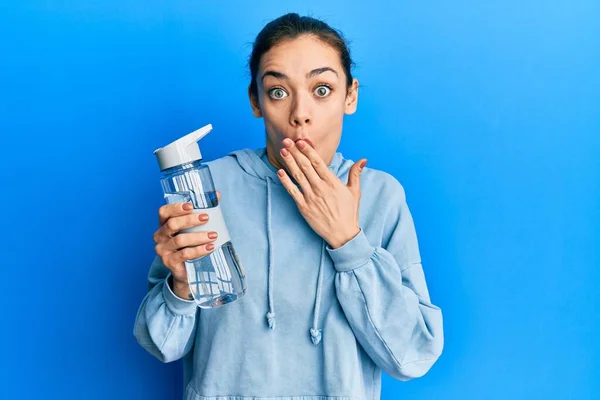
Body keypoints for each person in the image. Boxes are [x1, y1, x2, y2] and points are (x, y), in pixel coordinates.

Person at [134, 12, 444, 400]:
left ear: (351, 96)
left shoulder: (381, 196)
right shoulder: (207, 188)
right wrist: (180, 284)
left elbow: (412, 356)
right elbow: (162, 344)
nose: (300, 113)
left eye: (322, 89)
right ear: (256, 101)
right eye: (278, 91)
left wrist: (348, 241)